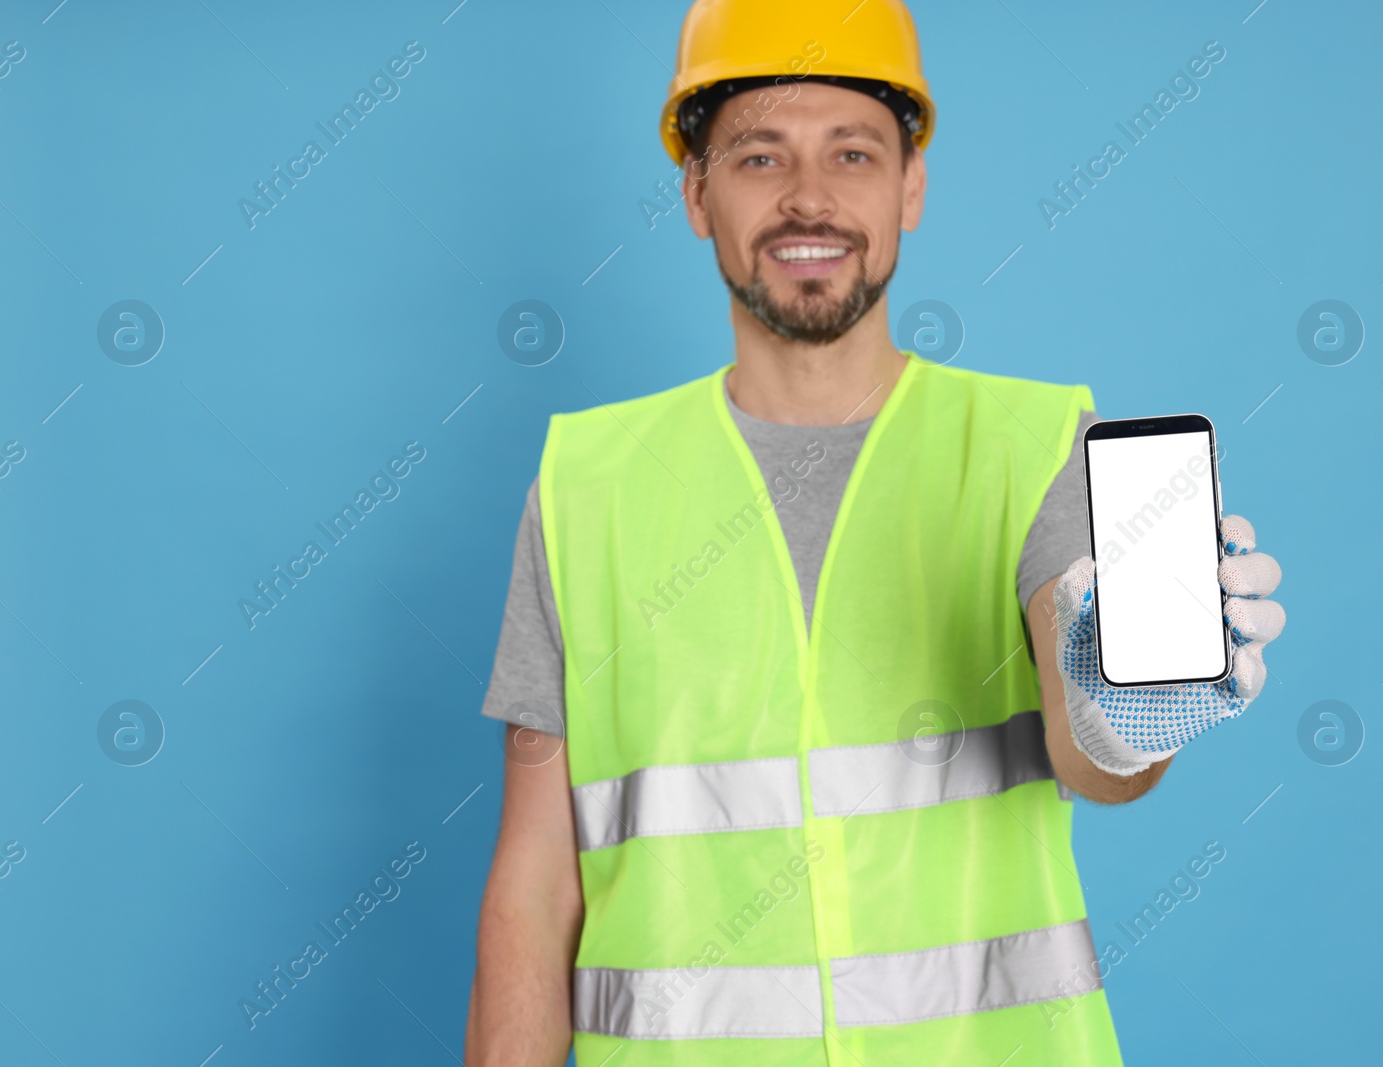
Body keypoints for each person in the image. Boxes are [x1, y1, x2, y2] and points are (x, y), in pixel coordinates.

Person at [465, 0, 1286, 1063]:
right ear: (695, 194)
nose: (808, 197)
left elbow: (1094, 764)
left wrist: (1131, 708)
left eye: (852, 153)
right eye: (758, 158)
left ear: (911, 186)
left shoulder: (1031, 442)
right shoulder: (586, 483)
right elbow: (534, 884)